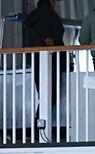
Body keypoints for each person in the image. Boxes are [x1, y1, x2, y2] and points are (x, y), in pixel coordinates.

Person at [22, 0, 67, 139]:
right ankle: (40, 129)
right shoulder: (51, 16)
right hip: (51, 61)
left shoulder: (31, 18)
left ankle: (38, 128)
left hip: (35, 61)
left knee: (43, 94)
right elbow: (59, 35)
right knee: (51, 95)